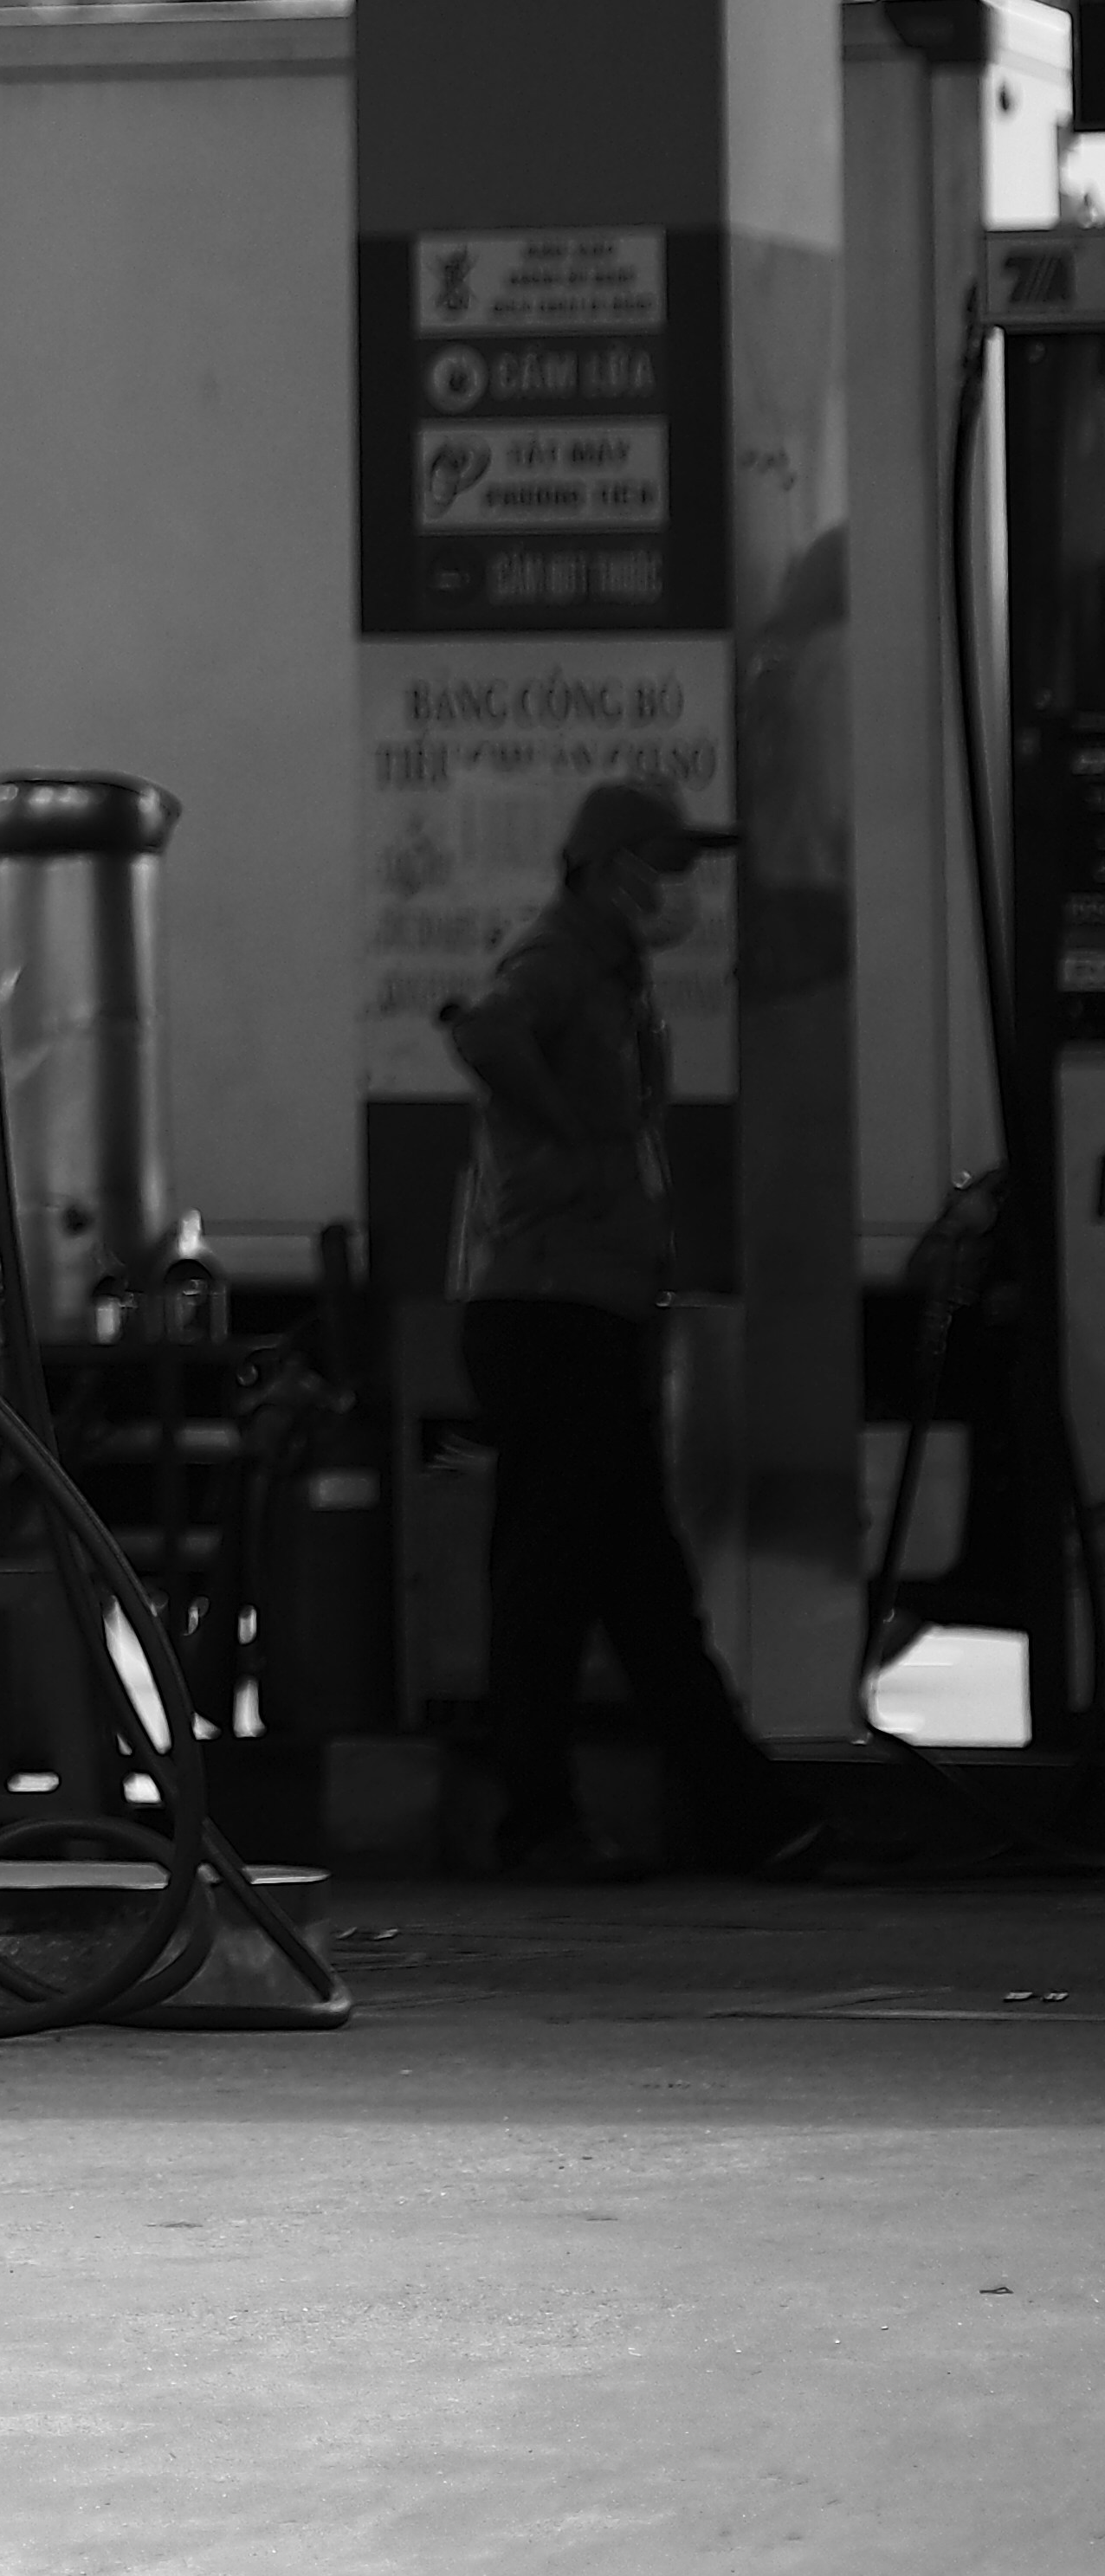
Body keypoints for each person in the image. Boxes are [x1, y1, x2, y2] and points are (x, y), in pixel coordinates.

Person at [438, 766, 801, 1877]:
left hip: (581, 1308)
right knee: (560, 1576)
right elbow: (485, 1032)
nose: (682, 891)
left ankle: (745, 1815)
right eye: (667, 867)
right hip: (547, 1312)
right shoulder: (553, 958)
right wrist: (576, 1142)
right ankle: (544, 1821)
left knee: (630, 1576)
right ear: (606, 870)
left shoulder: (612, 973)